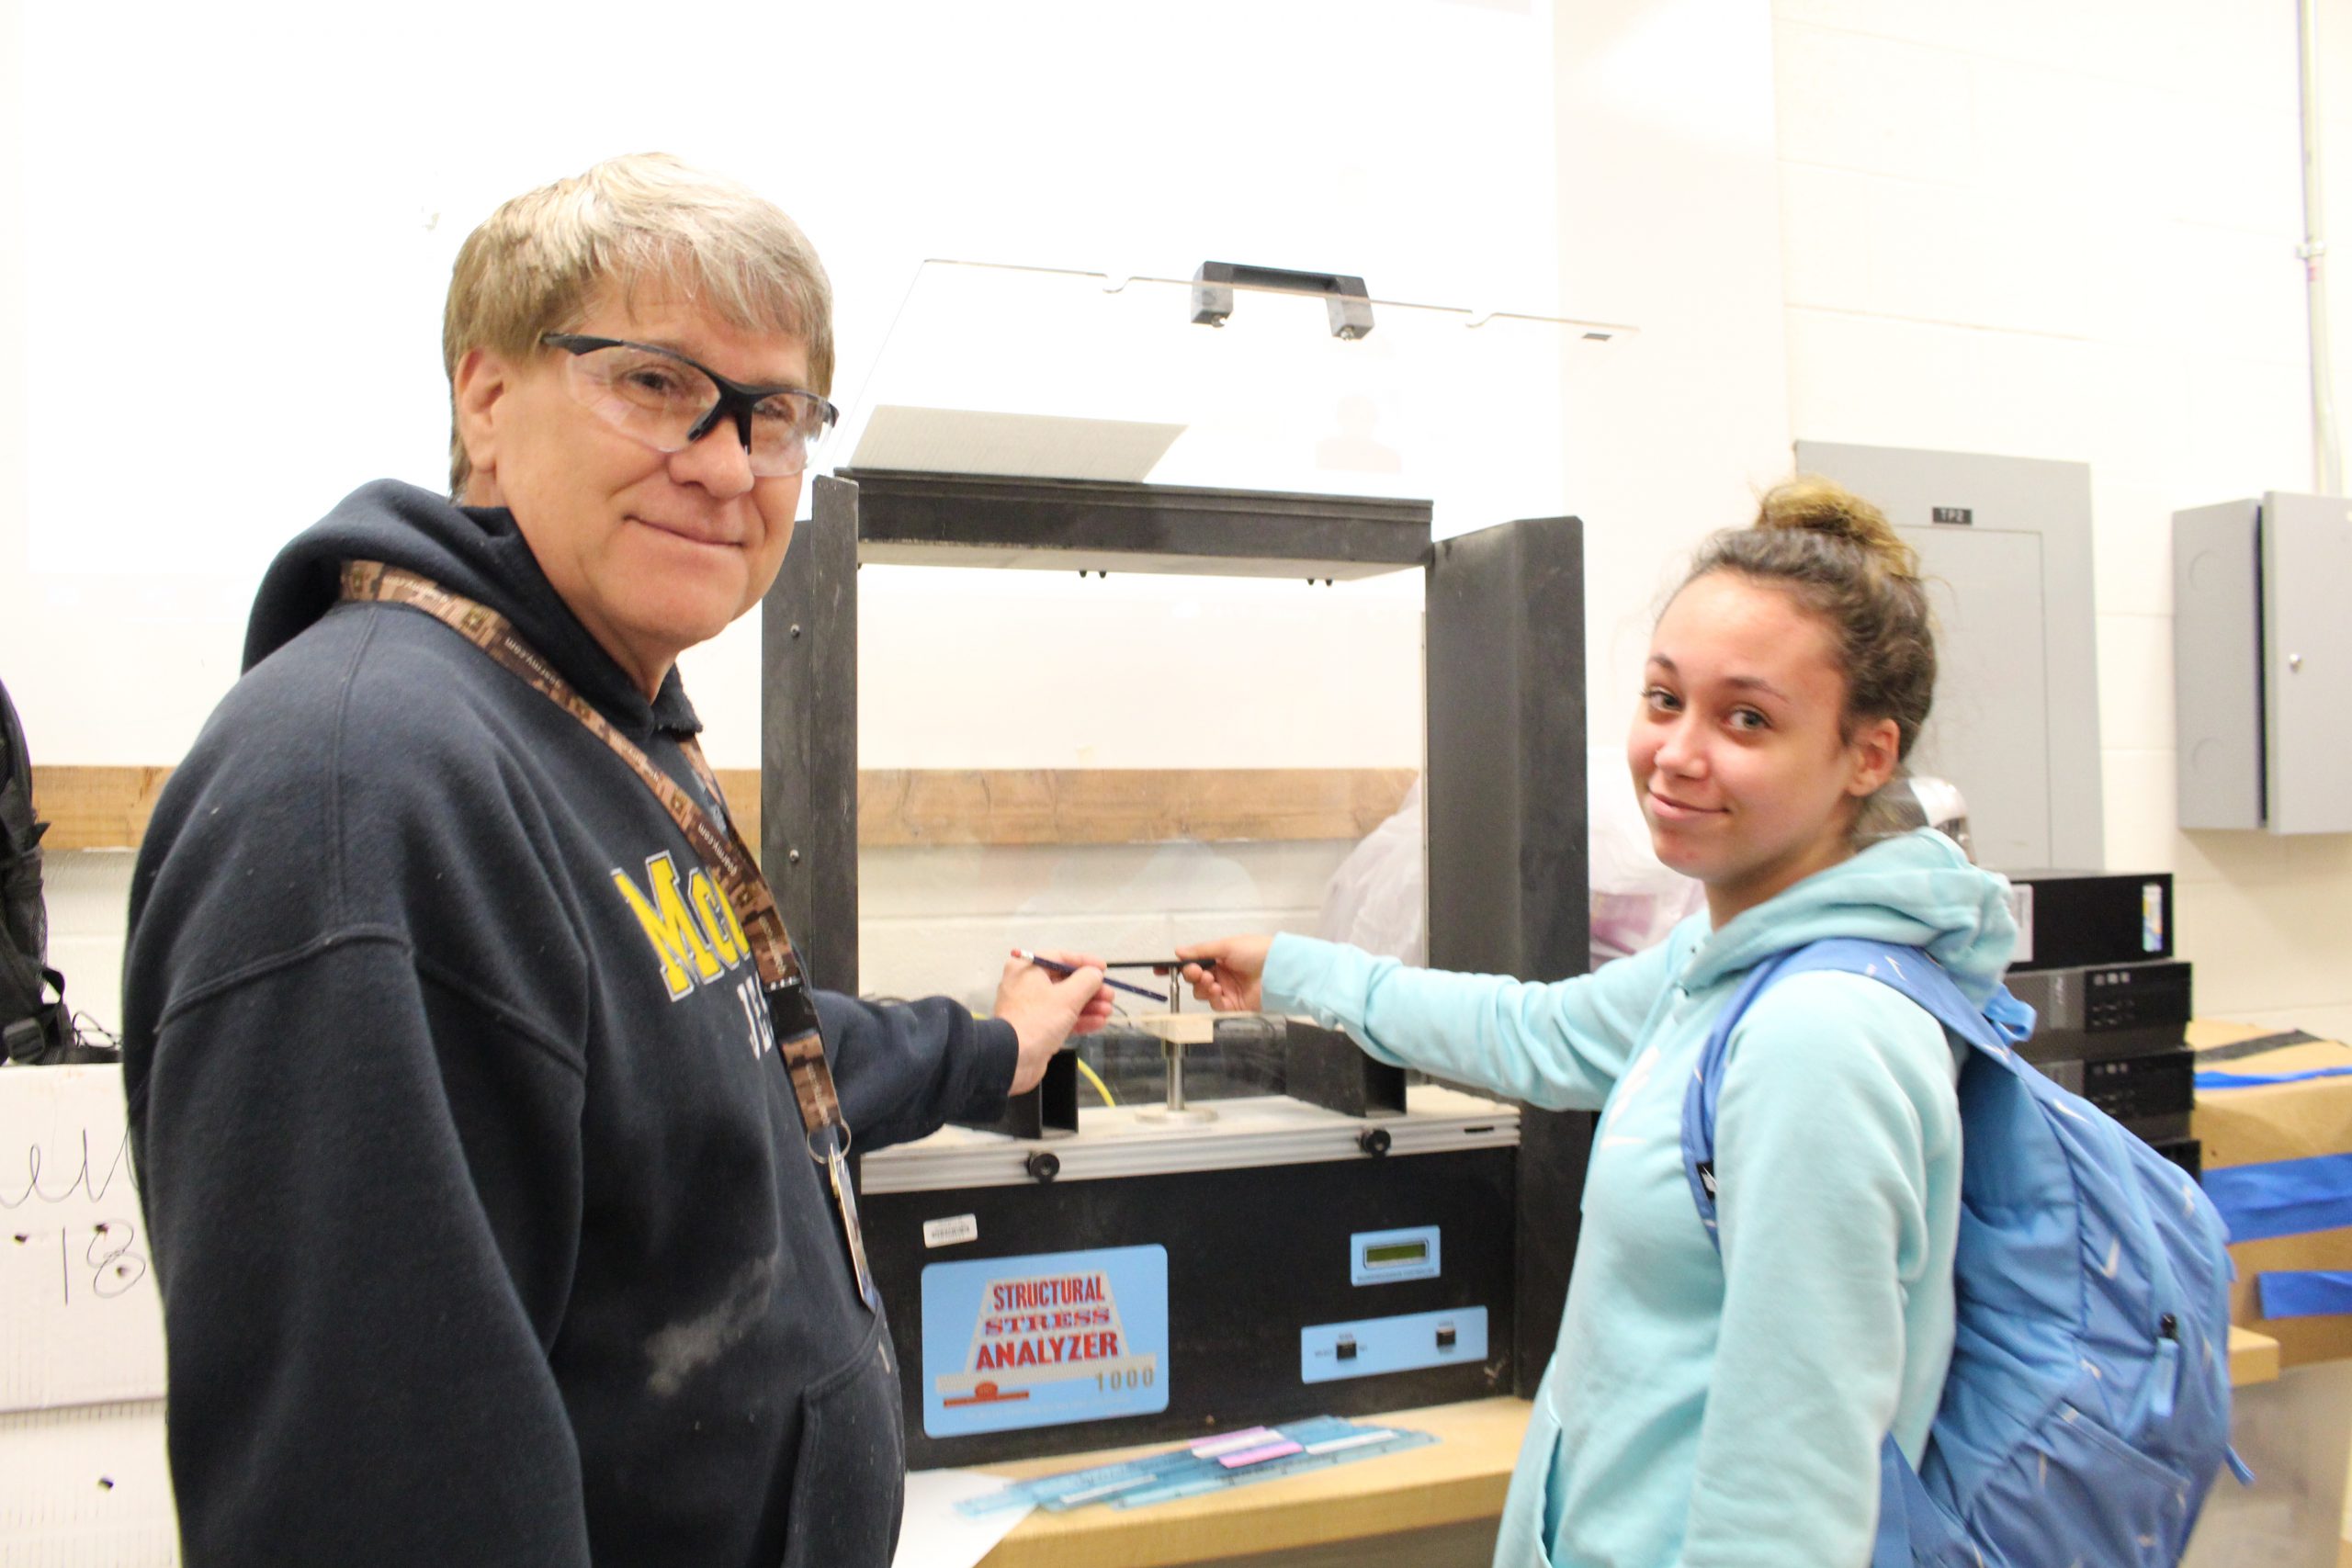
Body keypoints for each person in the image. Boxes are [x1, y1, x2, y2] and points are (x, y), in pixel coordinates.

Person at [121, 153, 1111, 1568]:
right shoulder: (371, 791)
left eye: (771, 414)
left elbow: (723, 1054)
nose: (720, 462)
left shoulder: (583, 718)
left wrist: (993, 1046)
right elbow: (381, 1497)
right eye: (654, 383)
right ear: (486, 394)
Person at [1177, 478, 2018, 1568]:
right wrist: (1296, 971)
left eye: (1746, 719)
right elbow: (1543, 1033)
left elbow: (1794, 1498)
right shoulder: (1728, 966)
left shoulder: (1819, 1037)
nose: (1677, 753)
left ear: (1867, 755)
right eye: (1665, 699)